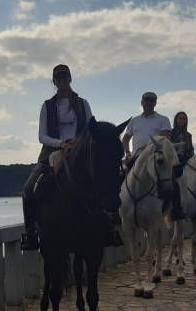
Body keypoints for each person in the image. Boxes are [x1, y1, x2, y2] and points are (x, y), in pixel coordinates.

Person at [20, 64, 121, 250]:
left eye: (65, 77)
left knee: (103, 182)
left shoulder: (83, 103)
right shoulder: (47, 105)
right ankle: (30, 233)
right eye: (58, 78)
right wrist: (61, 143)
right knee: (28, 189)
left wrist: (79, 141)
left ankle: (109, 228)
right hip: (53, 151)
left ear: (70, 79)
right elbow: (42, 136)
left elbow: (93, 127)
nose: (62, 81)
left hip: (80, 151)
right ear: (54, 81)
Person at [122, 91, 172, 165]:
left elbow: (165, 140)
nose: (148, 103)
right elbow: (126, 139)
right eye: (146, 100)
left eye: (151, 101)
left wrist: (149, 146)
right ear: (142, 102)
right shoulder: (134, 120)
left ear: (155, 103)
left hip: (155, 160)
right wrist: (128, 152)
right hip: (135, 160)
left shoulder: (164, 119)